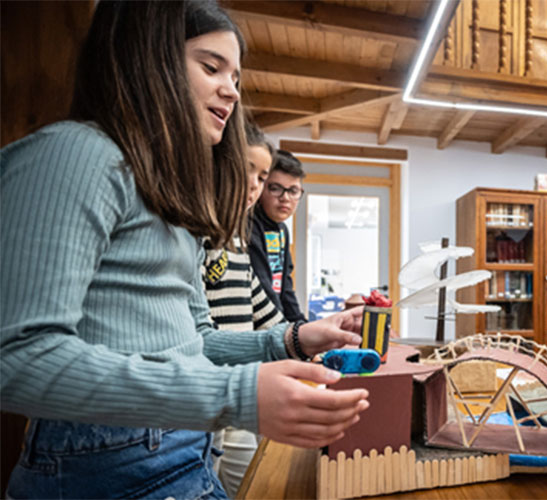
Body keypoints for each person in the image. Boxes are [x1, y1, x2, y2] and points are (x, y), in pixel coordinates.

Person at [0, 2, 369, 498]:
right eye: (210, 66)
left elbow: (195, 344)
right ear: (147, 60)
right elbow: (17, 357)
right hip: (104, 464)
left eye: (235, 76)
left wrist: (294, 340)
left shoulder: (169, 202)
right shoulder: (79, 153)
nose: (232, 90)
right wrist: (237, 395)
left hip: (181, 451)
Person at [201, 121, 282, 497]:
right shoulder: (194, 233)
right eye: (247, 169)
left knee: (253, 485)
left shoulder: (236, 238)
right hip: (203, 397)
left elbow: (265, 312)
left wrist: (324, 336)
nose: (254, 185)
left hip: (240, 394)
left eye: (262, 176)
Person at [249, 150, 307, 322]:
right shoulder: (249, 224)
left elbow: (285, 287)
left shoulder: (282, 229)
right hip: (256, 326)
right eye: (276, 189)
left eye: (293, 191)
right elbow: (262, 285)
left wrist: (300, 325)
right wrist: (288, 333)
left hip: (276, 325)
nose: (285, 198)